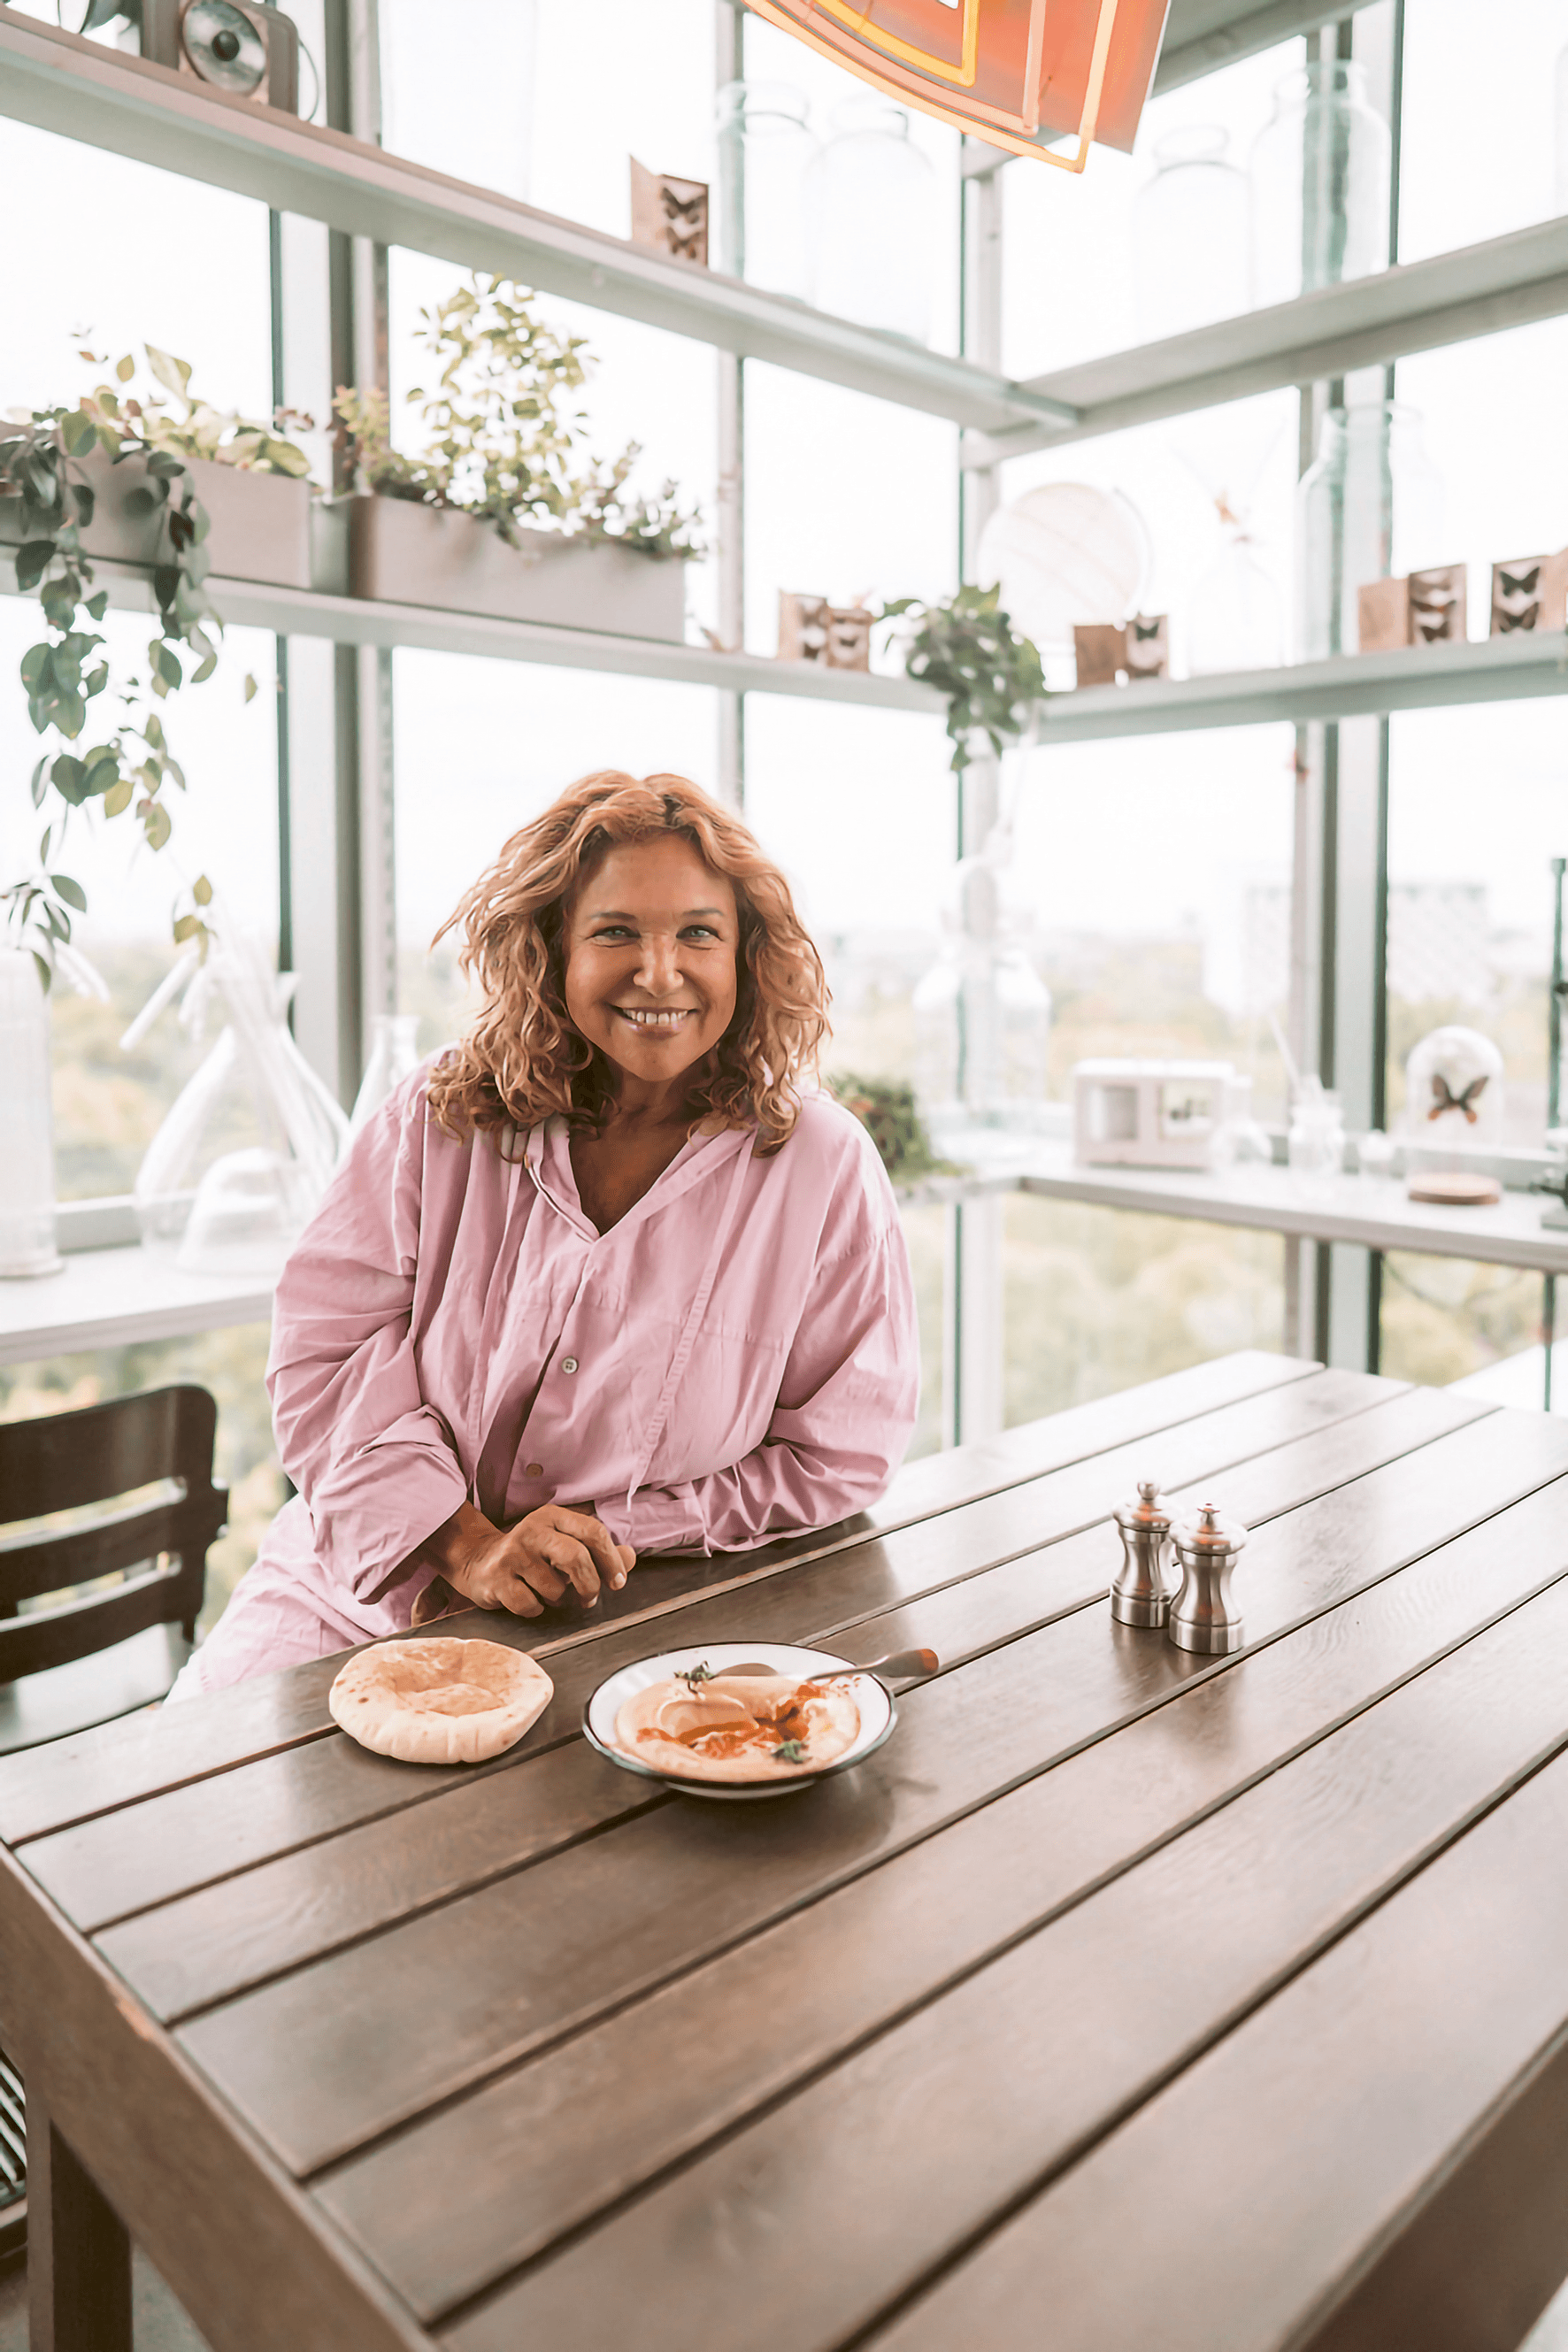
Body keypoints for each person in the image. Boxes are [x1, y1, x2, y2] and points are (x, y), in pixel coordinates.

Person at [170, 770, 919, 1696]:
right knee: (194, 1805)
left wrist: (611, 1537)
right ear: (551, 948)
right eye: (614, 932)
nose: (659, 972)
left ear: (746, 956)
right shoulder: (436, 1117)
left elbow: (841, 1451)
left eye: (698, 932)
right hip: (349, 1596)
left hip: (630, 1618)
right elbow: (326, 1349)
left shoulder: (819, 1164)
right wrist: (466, 1545)